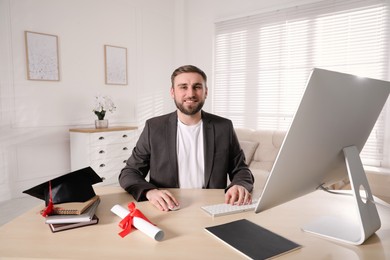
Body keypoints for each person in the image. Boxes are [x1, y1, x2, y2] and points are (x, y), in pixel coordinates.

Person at [119, 65, 254, 211]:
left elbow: (241, 169)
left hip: (213, 208)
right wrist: (150, 192)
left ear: (206, 92)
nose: (190, 93)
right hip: (168, 209)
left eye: (197, 87)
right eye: (183, 87)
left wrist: (239, 185)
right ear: (172, 92)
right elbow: (129, 172)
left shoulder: (224, 127)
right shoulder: (154, 127)